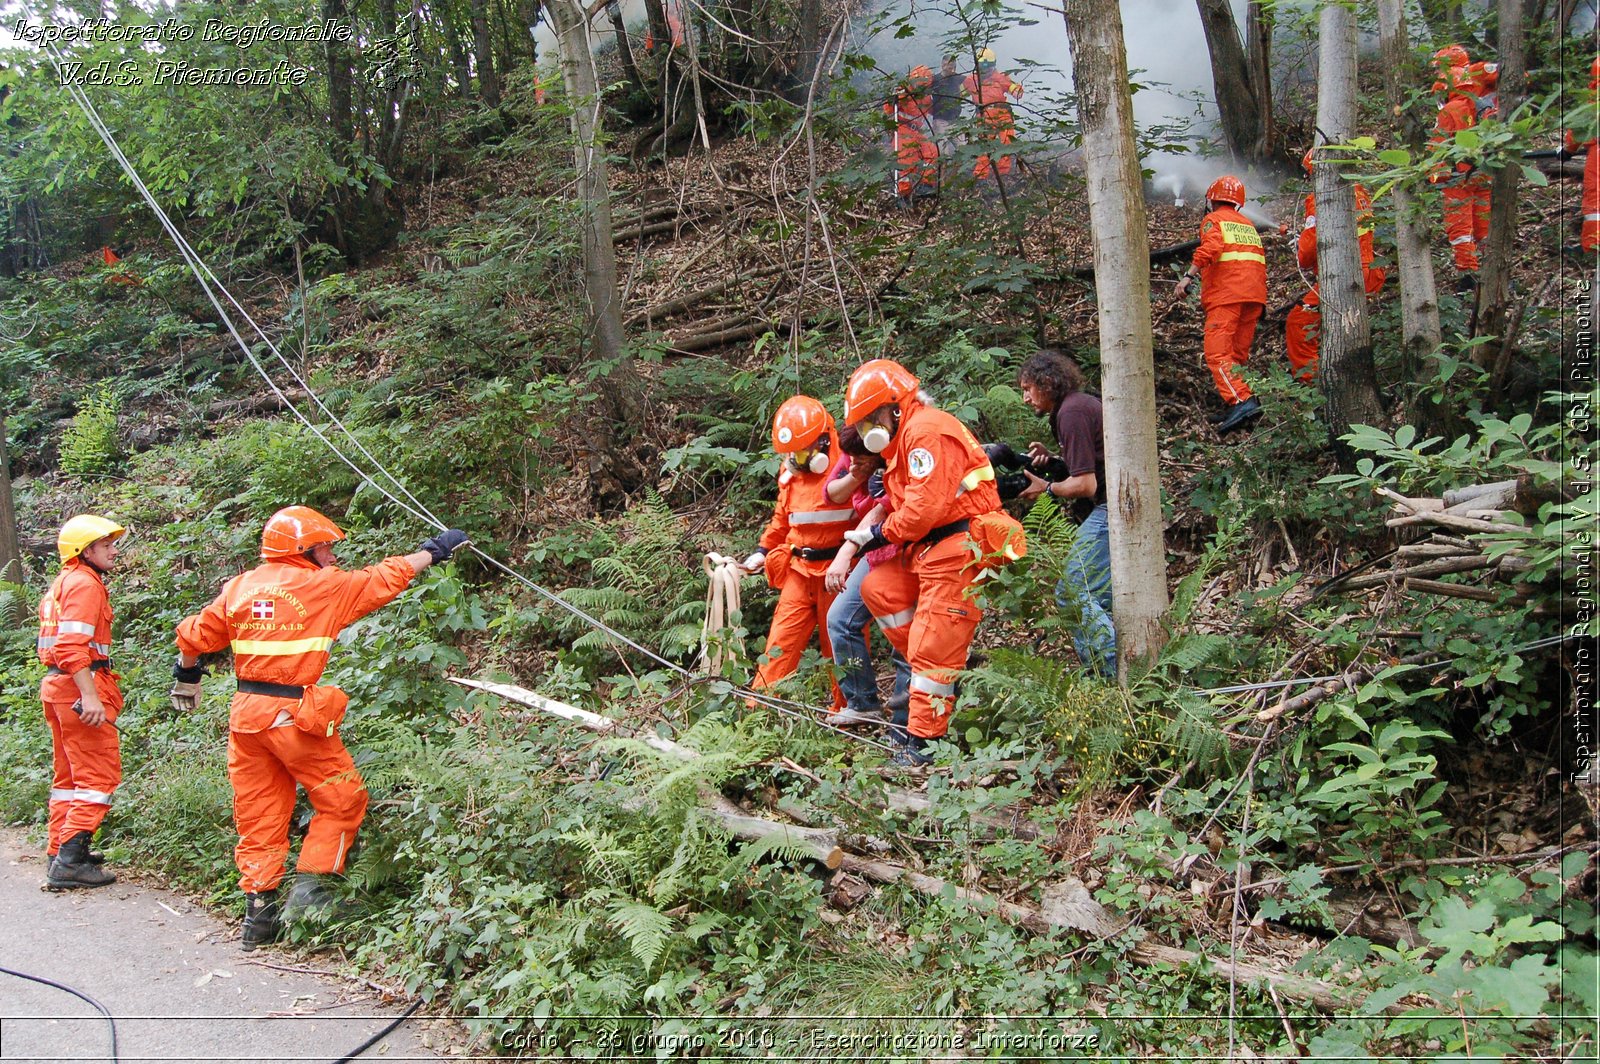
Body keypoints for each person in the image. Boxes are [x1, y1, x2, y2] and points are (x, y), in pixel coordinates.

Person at [172, 507, 468, 950]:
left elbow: (193, 636)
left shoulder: (241, 586)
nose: (332, 556)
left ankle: (259, 914)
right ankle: (313, 893)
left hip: (247, 718)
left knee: (260, 814)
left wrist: (187, 677)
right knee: (343, 799)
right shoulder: (322, 587)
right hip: (294, 718)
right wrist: (435, 550)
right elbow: (383, 578)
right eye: (325, 547)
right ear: (303, 551)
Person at [844, 359, 1023, 766]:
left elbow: (924, 508)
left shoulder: (925, 432)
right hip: (928, 548)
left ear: (894, 408)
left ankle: (923, 744)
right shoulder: (906, 438)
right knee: (880, 589)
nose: (869, 429)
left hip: (958, 545)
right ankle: (948, 666)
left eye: (871, 419)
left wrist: (879, 532)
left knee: (931, 651)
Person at [740, 396, 853, 710]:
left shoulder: (850, 462)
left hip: (839, 572)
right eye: (791, 453)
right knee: (781, 640)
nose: (796, 459)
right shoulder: (790, 470)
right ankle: (759, 710)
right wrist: (762, 551)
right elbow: (782, 517)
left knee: (841, 644)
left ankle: (849, 710)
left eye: (802, 451)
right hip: (800, 571)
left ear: (821, 441)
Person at [37, 515, 127, 891]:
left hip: (58, 687)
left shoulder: (63, 583)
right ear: (85, 550)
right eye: (106, 544)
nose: (113, 549)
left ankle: (60, 848)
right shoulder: (85, 584)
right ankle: (70, 861)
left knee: (69, 779)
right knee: (98, 777)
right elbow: (72, 648)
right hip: (79, 687)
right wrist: (90, 696)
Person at [1014, 351, 1116, 678]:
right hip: (1116, 506)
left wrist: (1046, 488)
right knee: (1102, 598)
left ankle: (1106, 673)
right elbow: (1089, 463)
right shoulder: (1074, 407)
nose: (1025, 398)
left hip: (1107, 509)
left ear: (1048, 382)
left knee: (1071, 591)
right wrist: (1055, 461)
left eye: (1028, 388)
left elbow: (1085, 484)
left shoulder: (1071, 412)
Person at [822, 426, 910, 727]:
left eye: (860, 458)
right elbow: (830, 492)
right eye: (850, 457)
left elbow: (882, 510)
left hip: (902, 551)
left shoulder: (895, 462)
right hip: (873, 551)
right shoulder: (854, 459)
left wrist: (846, 552)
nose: (852, 462)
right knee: (840, 620)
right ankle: (862, 703)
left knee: (904, 637)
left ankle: (906, 724)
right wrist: (857, 474)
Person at [1285, 148, 1388, 383]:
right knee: (1348, 327)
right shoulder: (1359, 191)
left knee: (1299, 321)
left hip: (1346, 274)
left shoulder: (1321, 197)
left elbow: (1308, 252)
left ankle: (1312, 383)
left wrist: (1301, 247)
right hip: (1371, 270)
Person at [1174, 175, 1267, 433]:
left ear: (1212, 199)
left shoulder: (1213, 220)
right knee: (1236, 355)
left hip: (1227, 297)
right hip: (1254, 297)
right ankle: (1239, 402)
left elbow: (1210, 249)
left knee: (1217, 353)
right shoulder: (1247, 225)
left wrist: (1187, 276)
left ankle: (1242, 400)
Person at [1430, 45, 1491, 282]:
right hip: (1484, 174)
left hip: (1459, 177)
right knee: (1483, 226)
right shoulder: (1482, 105)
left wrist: (1434, 175)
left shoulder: (1451, 110)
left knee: (1461, 230)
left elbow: (1439, 145)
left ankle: (1468, 275)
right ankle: (1489, 268)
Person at [962, 48, 1023, 182]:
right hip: (984, 118)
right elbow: (957, 93)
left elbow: (1015, 90)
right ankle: (981, 177)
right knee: (984, 148)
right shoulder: (970, 80)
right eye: (983, 67)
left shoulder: (1000, 77)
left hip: (1003, 115)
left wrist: (1017, 89)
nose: (986, 71)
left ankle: (1002, 176)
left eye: (989, 67)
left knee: (1006, 143)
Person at [1560, 56, 1600, 255]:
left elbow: (1578, 130)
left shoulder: (1594, 99)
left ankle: (1593, 249)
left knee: (1595, 201)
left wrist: (1568, 150)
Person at [885, 66, 938, 204]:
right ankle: (902, 195)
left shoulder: (927, 96)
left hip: (917, 131)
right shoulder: (903, 91)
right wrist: (893, 97)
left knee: (931, 151)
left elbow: (933, 110)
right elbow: (888, 109)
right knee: (905, 159)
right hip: (903, 129)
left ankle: (926, 186)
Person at [929, 55, 964, 145]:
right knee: (943, 150)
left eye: (952, 67)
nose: (949, 69)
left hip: (955, 120)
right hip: (940, 119)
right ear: (942, 65)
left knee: (963, 147)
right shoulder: (934, 80)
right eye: (947, 66)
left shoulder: (958, 79)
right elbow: (921, 88)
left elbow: (972, 84)